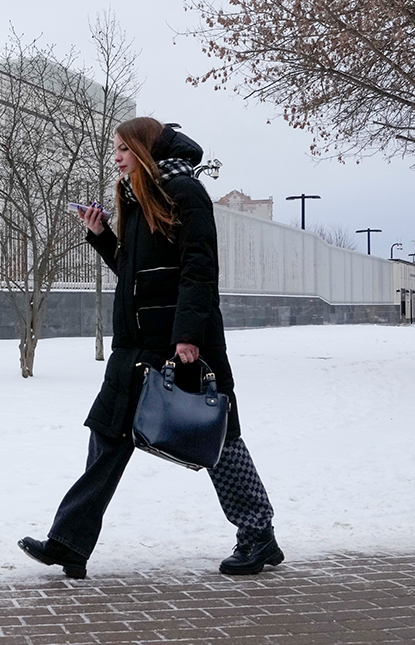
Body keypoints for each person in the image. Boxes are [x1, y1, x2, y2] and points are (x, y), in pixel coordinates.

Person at [19, 117, 283, 579]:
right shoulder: (137, 197)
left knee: (216, 437)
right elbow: (137, 273)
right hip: (134, 347)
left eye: (123, 148)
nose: (116, 156)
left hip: (180, 343)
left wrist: (188, 335)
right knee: (107, 437)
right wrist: (102, 236)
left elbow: (199, 269)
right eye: (115, 149)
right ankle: (69, 543)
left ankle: (258, 534)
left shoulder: (185, 191)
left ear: (144, 148)